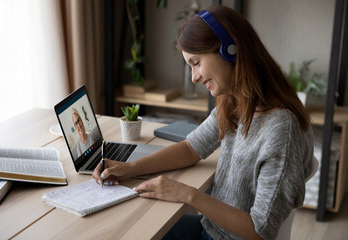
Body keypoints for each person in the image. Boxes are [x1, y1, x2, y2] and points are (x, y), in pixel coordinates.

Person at [93, 5, 314, 240]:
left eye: (196, 63)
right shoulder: (236, 102)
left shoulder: (281, 129)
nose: (194, 77)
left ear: (230, 49)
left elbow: (261, 231)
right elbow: (191, 148)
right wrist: (130, 169)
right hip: (211, 229)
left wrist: (188, 195)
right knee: (129, 228)